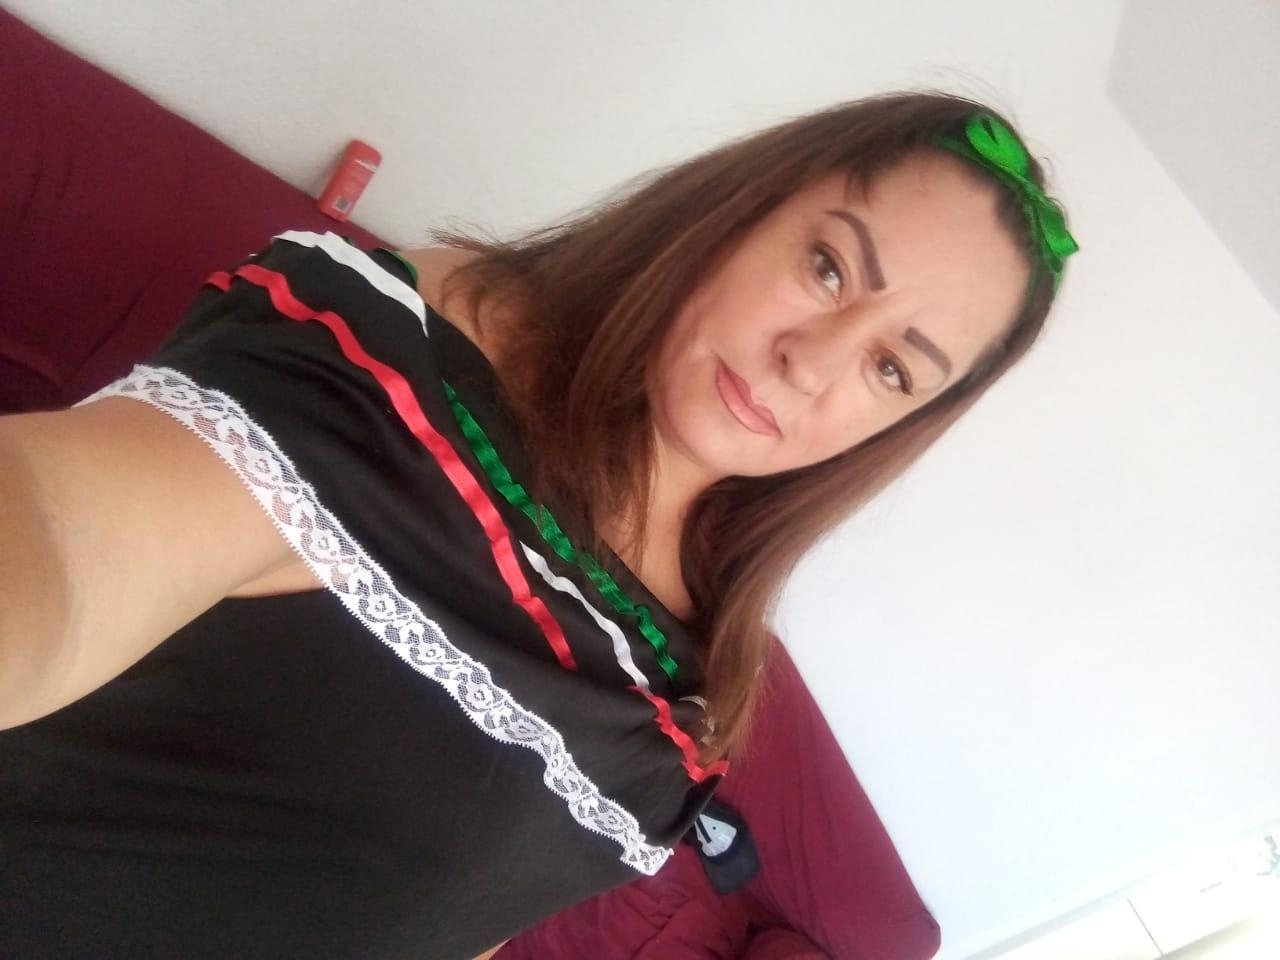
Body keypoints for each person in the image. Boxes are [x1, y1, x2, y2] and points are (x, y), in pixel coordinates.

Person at [0, 90, 1077, 959]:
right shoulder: (411, 352)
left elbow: (459, 913)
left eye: (890, 369)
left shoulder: (701, 685)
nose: (814, 362)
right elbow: (62, 539)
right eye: (827, 267)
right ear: (741, 212)